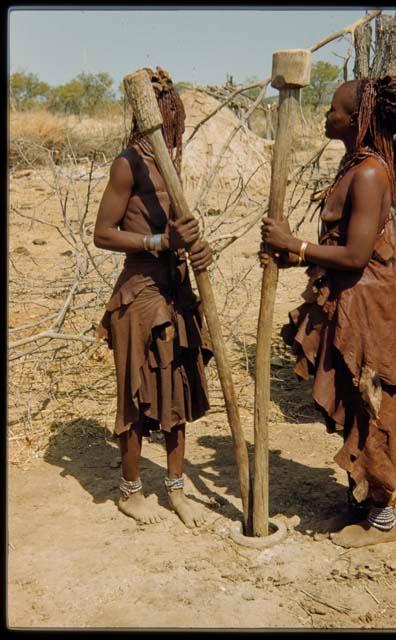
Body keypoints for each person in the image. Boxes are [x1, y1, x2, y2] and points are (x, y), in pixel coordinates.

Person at [259, 76, 396, 548]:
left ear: (356, 120)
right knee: (355, 402)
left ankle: (382, 520)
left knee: (371, 403)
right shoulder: (353, 166)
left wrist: (296, 244)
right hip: (348, 302)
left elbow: (356, 257)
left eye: (333, 110)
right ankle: (359, 502)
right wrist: (292, 253)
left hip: (369, 307)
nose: (326, 115)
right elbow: (344, 248)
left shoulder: (371, 172)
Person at [94, 66, 214, 529]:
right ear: (160, 117)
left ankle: (177, 489)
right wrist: (160, 243)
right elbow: (103, 234)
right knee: (136, 391)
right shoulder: (128, 163)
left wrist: (195, 245)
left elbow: (176, 230)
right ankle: (130, 490)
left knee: (177, 389)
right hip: (140, 294)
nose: (177, 126)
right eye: (173, 117)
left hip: (176, 290)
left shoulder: (171, 163)